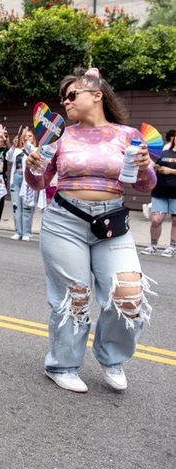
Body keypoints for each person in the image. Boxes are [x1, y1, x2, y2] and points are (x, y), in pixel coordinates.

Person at [25, 67, 155, 393]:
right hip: (65, 222)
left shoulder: (127, 135)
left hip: (112, 223)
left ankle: (112, 358)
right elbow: (38, 182)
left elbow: (145, 185)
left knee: (128, 295)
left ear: (96, 95)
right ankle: (62, 365)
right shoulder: (61, 136)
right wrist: (33, 167)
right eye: (63, 98)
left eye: (72, 95)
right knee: (75, 297)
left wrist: (144, 168)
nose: (66, 102)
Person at [142, 129, 176, 257]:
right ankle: (153, 246)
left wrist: (171, 171)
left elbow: (170, 170)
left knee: (175, 220)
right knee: (156, 220)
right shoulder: (163, 153)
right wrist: (155, 167)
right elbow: (152, 166)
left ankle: (172, 247)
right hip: (160, 191)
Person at [7, 127, 38, 241]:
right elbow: (8, 157)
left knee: (27, 207)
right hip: (16, 178)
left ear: (33, 139)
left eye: (30, 136)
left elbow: (31, 151)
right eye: (25, 136)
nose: (27, 137)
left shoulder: (35, 149)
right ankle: (18, 232)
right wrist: (13, 145)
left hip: (28, 180)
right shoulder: (17, 150)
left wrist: (25, 141)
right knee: (16, 207)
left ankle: (27, 233)